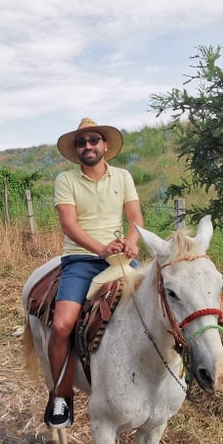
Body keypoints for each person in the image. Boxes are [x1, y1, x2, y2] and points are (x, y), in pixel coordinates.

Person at [45, 117, 144, 428]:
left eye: (93, 140)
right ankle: (61, 394)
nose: (88, 146)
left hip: (120, 259)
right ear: (76, 150)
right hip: (82, 259)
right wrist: (100, 249)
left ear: (104, 146)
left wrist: (132, 241)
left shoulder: (124, 176)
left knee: (162, 303)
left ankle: (167, 378)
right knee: (62, 325)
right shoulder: (66, 180)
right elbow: (69, 225)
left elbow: (135, 217)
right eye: (81, 142)